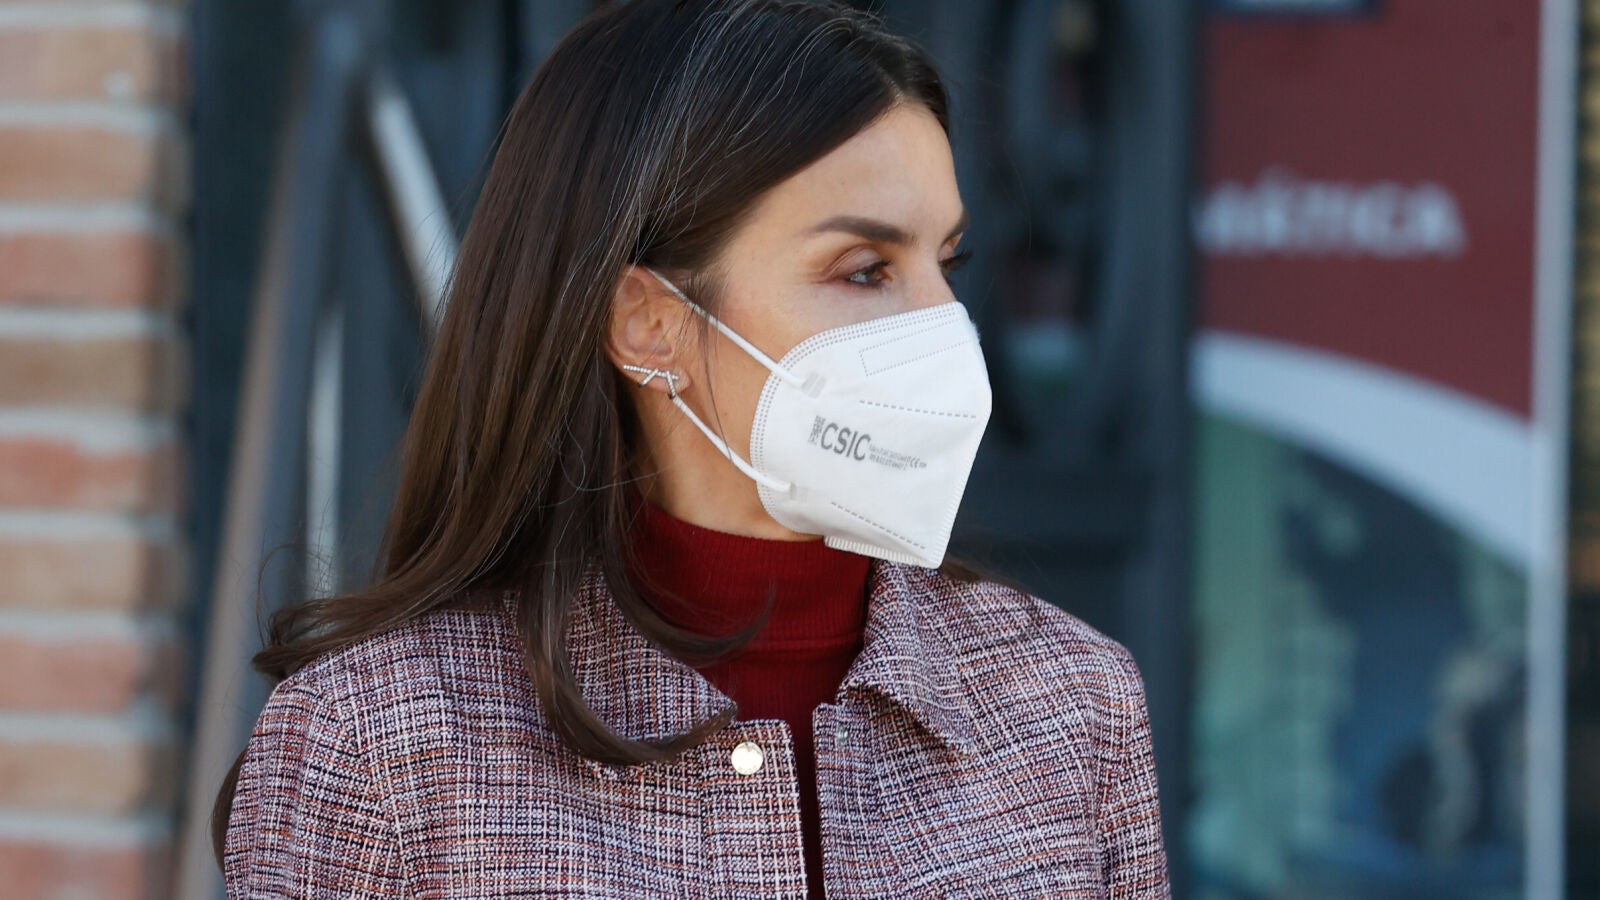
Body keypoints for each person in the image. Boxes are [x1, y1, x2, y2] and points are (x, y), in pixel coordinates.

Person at [216, 1, 1171, 897]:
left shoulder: (1074, 705)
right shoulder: (377, 743)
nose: (944, 325)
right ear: (649, 324)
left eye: (947, 261)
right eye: (865, 270)